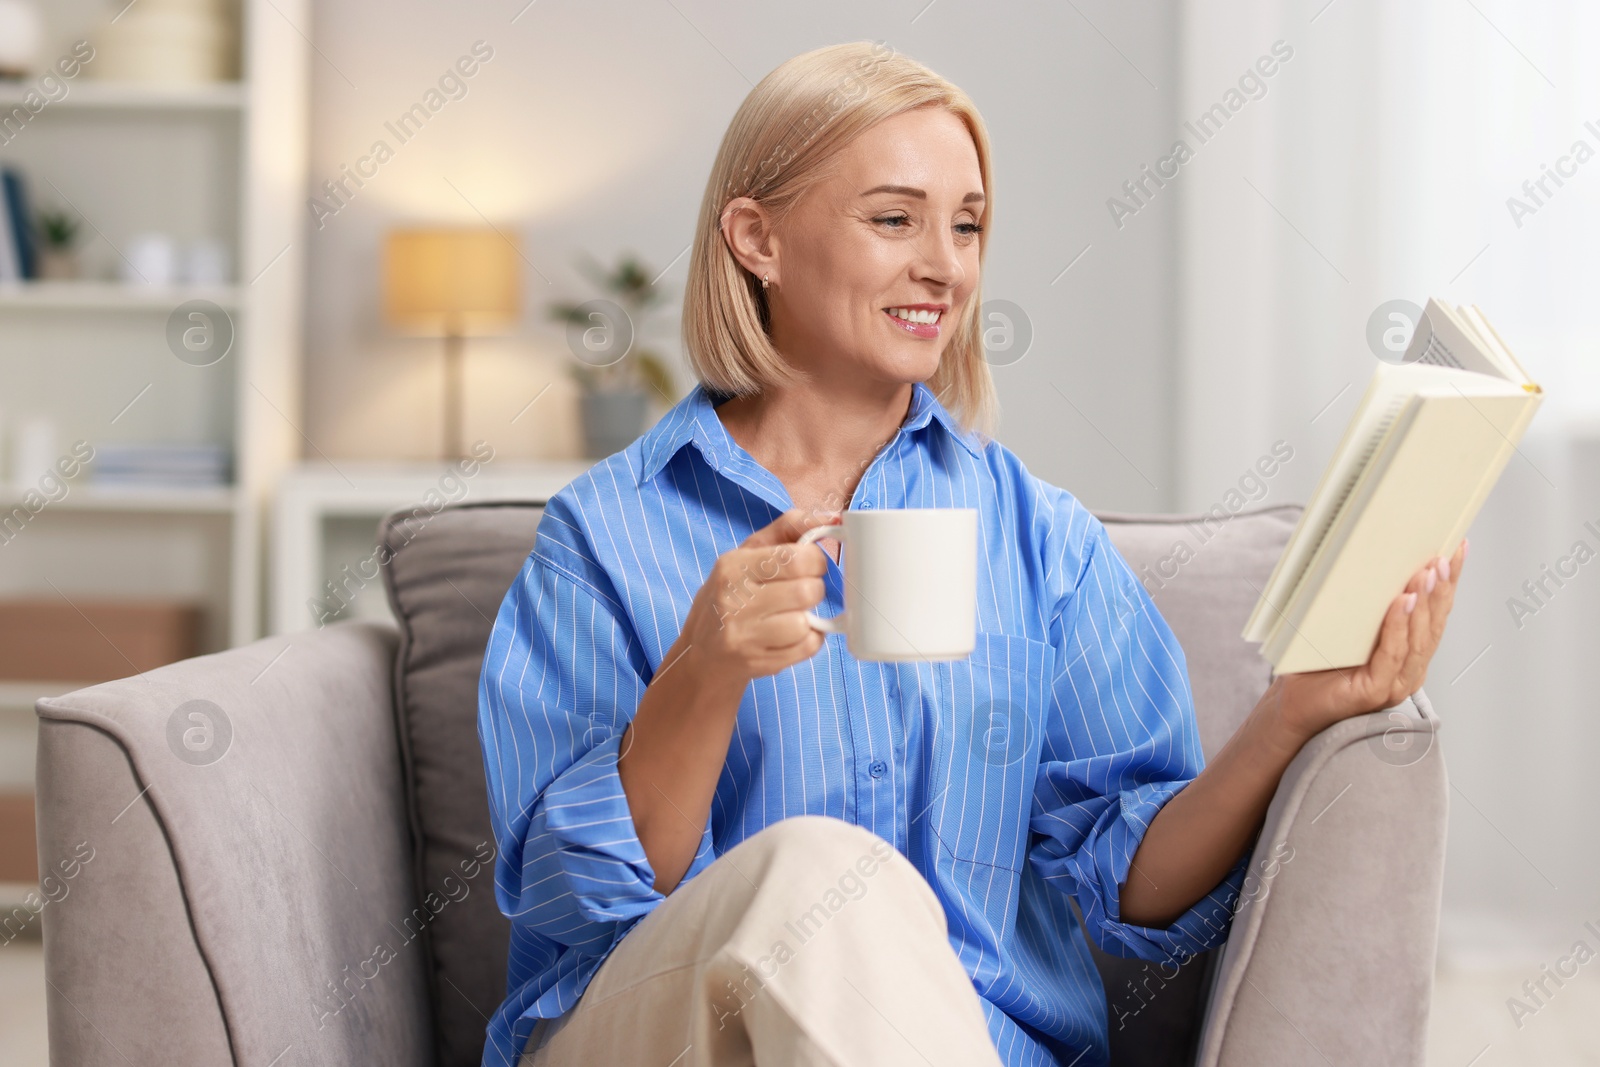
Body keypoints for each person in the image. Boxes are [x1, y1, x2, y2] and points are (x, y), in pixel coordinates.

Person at [476, 40, 1465, 1067]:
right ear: (755, 237)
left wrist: (1292, 709)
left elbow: (1130, 876)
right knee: (816, 872)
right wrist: (703, 671)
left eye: (968, 224)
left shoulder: (1038, 535)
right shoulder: (604, 533)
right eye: (894, 218)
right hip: (655, 1034)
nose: (944, 264)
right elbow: (577, 896)